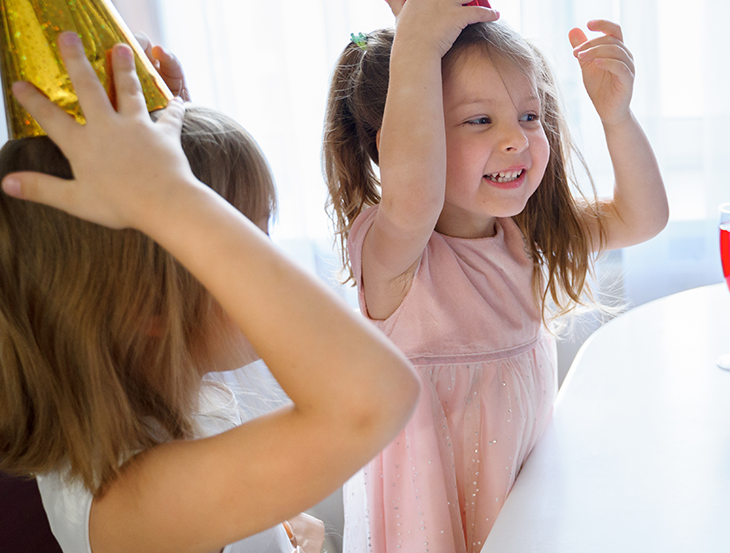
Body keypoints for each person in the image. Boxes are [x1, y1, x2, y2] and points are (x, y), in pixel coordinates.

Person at [0, 33, 420, 553]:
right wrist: (170, 195)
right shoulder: (130, 502)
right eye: (245, 236)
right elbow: (376, 396)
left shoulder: (142, 424)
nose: (262, 260)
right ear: (151, 304)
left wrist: (173, 159)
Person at [322, 0, 668, 552]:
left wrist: (616, 116)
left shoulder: (527, 238)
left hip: (524, 518)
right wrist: (417, 49)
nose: (516, 138)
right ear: (403, 134)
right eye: (479, 119)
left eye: (530, 116)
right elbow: (416, 193)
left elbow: (643, 218)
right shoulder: (395, 257)